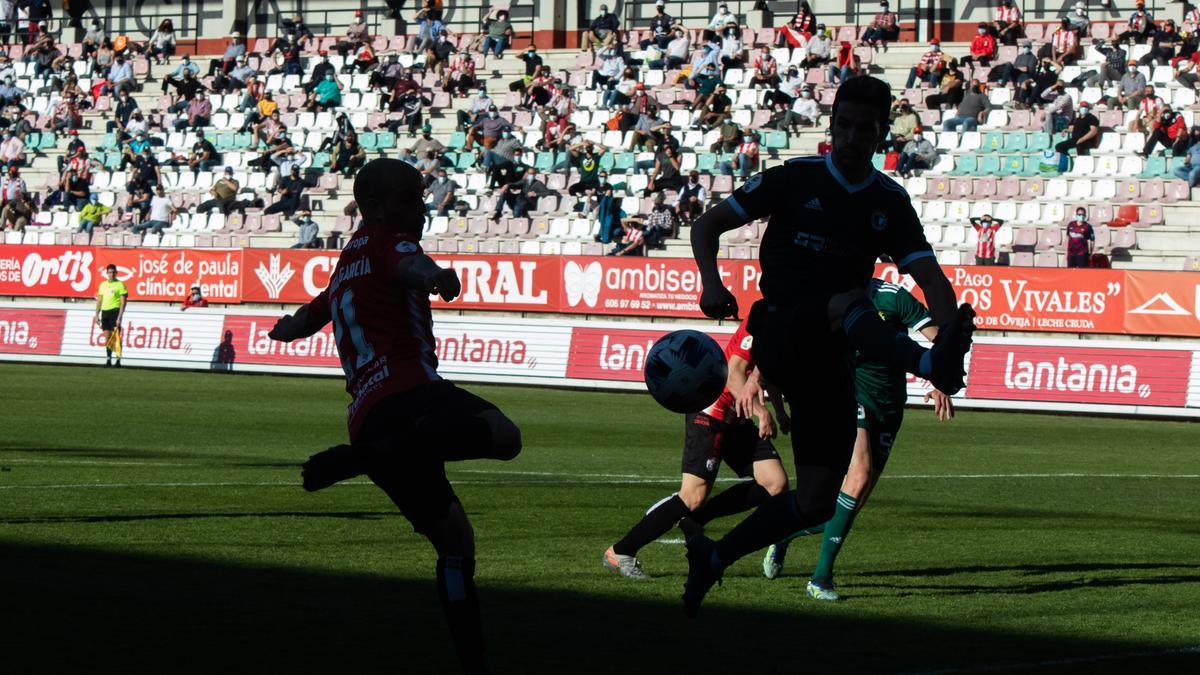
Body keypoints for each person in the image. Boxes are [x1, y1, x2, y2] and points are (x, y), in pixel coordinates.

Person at [681, 76, 976, 616]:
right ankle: (927, 362)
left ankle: (715, 557)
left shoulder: (888, 201)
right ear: (831, 123)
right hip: (782, 330)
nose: (852, 137)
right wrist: (711, 284)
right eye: (844, 125)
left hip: (832, 357)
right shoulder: (795, 179)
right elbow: (707, 226)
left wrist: (948, 317)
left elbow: (928, 275)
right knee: (849, 301)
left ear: (882, 132)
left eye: (866, 129)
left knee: (816, 498)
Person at [266, 158, 522, 675]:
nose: (420, 207)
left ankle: (474, 661)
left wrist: (286, 329)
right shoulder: (390, 238)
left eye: (419, 196)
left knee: (454, 543)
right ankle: (368, 458)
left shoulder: (345, 265)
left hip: (366, 415)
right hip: (410, 395)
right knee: (504, 435)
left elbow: (311, 315)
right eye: (409, 197)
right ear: (377, 207)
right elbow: (411, 264)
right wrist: (438, 275)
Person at [761, 280, 952, 600]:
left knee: (847, 504)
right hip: (850, 397)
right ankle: (820, 579)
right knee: (858, 475)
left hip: (890, 408)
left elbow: (938, 339)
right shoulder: (829, 300)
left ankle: (783, 535)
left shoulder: (894, 298)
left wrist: (941, 379)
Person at [94, 264, 127, 368]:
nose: (111, 274)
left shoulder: (120, 285)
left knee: (116, 337)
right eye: (109, 272)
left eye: (113, 272)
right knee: (107, 337)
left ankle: (118, 361)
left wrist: (119, 316)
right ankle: (108, 360)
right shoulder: (102, 285)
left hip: (115, 312)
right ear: (106, 273)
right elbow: (99, 300)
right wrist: (96, 314)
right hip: (105, 313)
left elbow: (123, 302)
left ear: (116, 273)